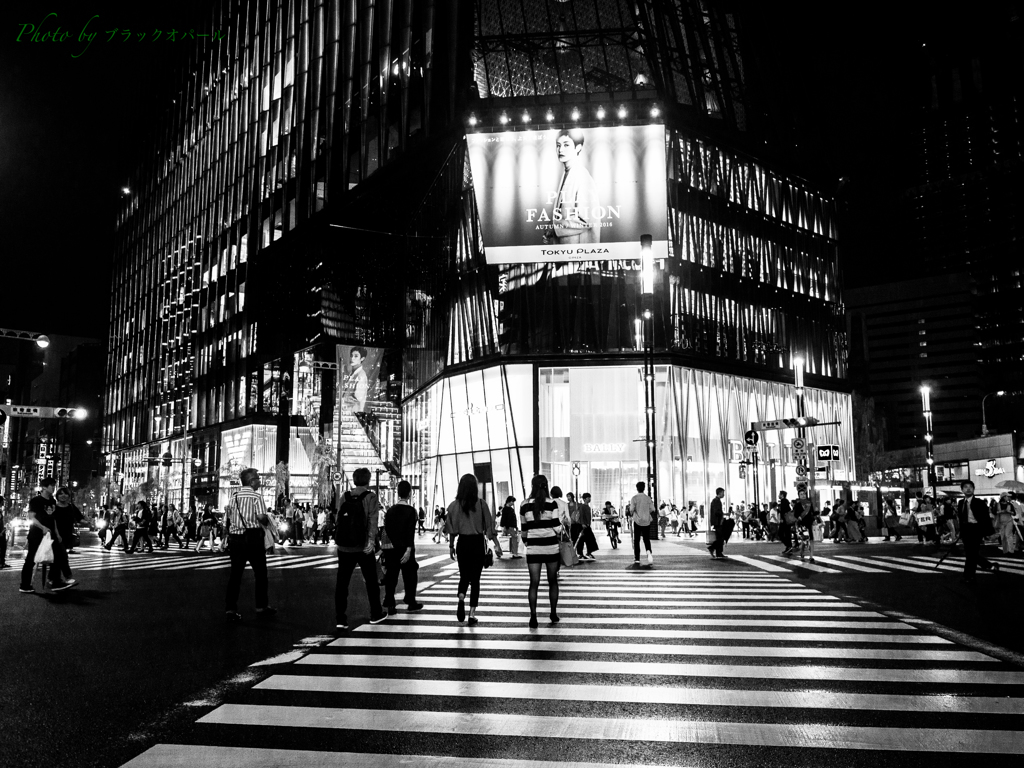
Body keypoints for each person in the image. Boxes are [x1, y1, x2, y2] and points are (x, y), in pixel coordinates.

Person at [445, 473, 502, 625]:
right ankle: (471, 614)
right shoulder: (482, 504)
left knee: (464, 576)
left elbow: (451, 529)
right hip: (477, 544)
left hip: (462, 543)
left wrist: (451, 546)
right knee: (475, 580)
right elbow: (489, 528)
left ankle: (461, 595)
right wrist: (496, 544)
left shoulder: (454, 505)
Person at [334, 467, 387, 630]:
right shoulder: (370, 497)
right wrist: (371, 541)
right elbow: (373, 520)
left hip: (344, 547)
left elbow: (338, 519)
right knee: (371, 581)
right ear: (368, 480)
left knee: (342, 583)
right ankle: (376, 613)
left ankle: (341, 619)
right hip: (363, 546)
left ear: (354, 479)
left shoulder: (345, 496)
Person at [223, 467, 276, 622]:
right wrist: (268, 520)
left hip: (236, 539)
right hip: (253, 538)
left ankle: (230, 609)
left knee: (235, 575)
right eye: (258, 478)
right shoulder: (256, 497)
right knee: (260, 574)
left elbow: (228, 519)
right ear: (252, 481)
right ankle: (261, 606)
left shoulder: (234, 498)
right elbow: (261, 517)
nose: (259, 480)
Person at [542, 128, 602, 245]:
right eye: (558, 145)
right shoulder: (568, 173)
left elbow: (585, 220)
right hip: (566, 255)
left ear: (578, 147)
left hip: (578, 257)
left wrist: (554, 227)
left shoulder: (581, 176)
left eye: (566, 145)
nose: (560, 149)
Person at [520, 475, 562, 628]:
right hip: (551, 547)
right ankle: (553, 613)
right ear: (546, 486)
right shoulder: (552, 503)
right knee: (552, 581)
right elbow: (557, 527)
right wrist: (561, 527)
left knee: (534, 583)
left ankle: (533, 617)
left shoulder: (524, 504)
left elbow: (524, 529)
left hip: (533, 548)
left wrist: (528, 541)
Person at [20, 478, 75, 593]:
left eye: (54, 486)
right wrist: (42, 527)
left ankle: (55, 582)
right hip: (36, 534)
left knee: (57, 556)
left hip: (51, 535)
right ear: (44, 487)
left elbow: (53, 518)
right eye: (51, 486)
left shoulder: (52, 501)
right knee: (31, 559)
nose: (53, 488)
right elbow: (31, 517)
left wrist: (57, 533)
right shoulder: (36, 501)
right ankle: (25, 585)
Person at [381, 480, 424, 614]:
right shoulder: (411, 511)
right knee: (410, 574)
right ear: (410, 494)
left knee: (391, 576)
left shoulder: (390, 511)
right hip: (405, 548)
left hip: (391, 548)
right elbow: (410, 531)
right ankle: (410, 600)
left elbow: (386, 529)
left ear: (398, 493)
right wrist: (409, 549)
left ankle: (390, 602)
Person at [957, 480, 1000, 584]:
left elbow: (985, 518)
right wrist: (960, 531)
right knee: (971, 554)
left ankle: (969, 577)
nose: (968, 488)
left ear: (973, 489)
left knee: (971, 555)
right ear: (962, 490)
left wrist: (988, 533)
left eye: (970, 487)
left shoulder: (979, 502)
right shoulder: (961, 502)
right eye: (965, 487)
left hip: (976, 530)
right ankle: (990, 565)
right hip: (966, 530)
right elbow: (961, 518)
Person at [53, 486, 84, 586]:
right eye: (60, 493)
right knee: (62, 556)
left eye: (65, 494)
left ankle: (53, 579)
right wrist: (57, 534)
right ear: (57, 495)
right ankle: (67, 577)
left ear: (69, 496)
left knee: (58, 558)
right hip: (55, 535)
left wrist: (88, 522)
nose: (63, 496)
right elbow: (51, 521)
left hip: (67, 535)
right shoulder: (54, 507)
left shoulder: (71, 507)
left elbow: (79, 518)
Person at [627, 481, 655, 566]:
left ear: (637, 488)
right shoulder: (648, 498)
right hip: (647, 521)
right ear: (644, 488)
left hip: (637, 521)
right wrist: (646, 513)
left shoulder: (634, 498)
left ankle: (637, 558)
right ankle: (648, 552)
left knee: (637, 540)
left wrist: (632, 513)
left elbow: (631, 510)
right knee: (646, 539)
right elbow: (652, 509)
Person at [341, 346, 370, 413]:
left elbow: (358, 398)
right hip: (347, 412)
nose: (352, 358)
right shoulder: (352, 373)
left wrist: (343, 400)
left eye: (356, 356)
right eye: (351, 355)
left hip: (353, 413)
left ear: (362, 358)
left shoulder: (361, 375)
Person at [572, 493, 598, 561]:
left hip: (586, 525)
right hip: (583, 526)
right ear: (584, 499)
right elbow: (582, 515)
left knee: (589, 539)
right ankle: (582, 554)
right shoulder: (582, 506)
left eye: (590, 497)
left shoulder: (588, 507)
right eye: (588, 498)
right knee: (583, 540)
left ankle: (587, 553)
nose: (589, 499)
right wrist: (583, 523)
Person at [707, 487, 726, 560]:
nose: (723, 494)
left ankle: (719, 552)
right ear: (720, 493)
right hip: (718, 522)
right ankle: (712, 548)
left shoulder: (717, 501)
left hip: (718, 521)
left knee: (720, 537)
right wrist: (722, 514)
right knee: (721, 537)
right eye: (723, 493)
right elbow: (716, 512)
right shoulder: (716, 501)